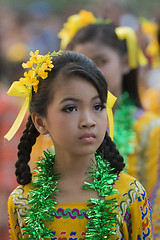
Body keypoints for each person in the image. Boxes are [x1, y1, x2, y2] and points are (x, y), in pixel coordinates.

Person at [6, 50, 153, 239]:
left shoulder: (129, 194)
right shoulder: (22, 202)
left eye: (98, 106)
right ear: (40, 122)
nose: (88, 121)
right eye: (70, 108)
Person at [58, 11, 160, 238]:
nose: (90, 74)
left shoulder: (151, 129)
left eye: (101, 62)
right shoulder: (61, 128)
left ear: (125, 63)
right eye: (80, 65)